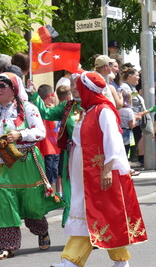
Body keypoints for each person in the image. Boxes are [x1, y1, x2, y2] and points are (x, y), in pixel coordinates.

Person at [51, 71, 147, 267]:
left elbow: (113, 141)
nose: (75, 89)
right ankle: (121, 261)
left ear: (88, 89)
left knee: (95, 213)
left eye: (79, 86)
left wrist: (107, 170)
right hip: (84, 172)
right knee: (101, 215)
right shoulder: (87, 110)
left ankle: (71, 260)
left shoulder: (103, 110)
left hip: (99, 173)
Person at [0, 72, 63, 260]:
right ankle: (7, 244)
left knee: (31, 203)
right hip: (3, 162)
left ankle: (41, 230)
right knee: (4, 201)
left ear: (14, 89)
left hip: (25, 161)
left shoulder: (28, 107)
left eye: (2, 86)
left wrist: (20, 135)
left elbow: (40, 132)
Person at [28, 72, 84, 227]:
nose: (74, 88)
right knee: (71, 191)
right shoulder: (67, 107)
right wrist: (34, 95)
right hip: (71, 156)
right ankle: (73, 226)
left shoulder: (97, 106)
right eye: (72, 85)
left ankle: (94, 229)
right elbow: (46, 113)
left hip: (92, 157)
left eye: (78, 84)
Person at [36, 85, 60, 189]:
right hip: (48, 148)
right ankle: (50, 192)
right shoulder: (46, 110)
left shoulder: (42, 109)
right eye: (54, 95)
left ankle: (52, 191)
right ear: (50, 96)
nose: (55, 98)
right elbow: (55, 126)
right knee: (49, 173)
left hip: (53, 147)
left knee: (53, 172)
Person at [121, 68, 144, 163]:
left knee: (134, 140)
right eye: (137, 75)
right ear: (129, 76)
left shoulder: (133, 87)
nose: (138, 77)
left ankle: (131, 160)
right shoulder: (125, 87)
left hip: (135, 119)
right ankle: (129, 161)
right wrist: (133, 116)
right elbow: (128, 102)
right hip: (130, 120)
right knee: (129, 143)